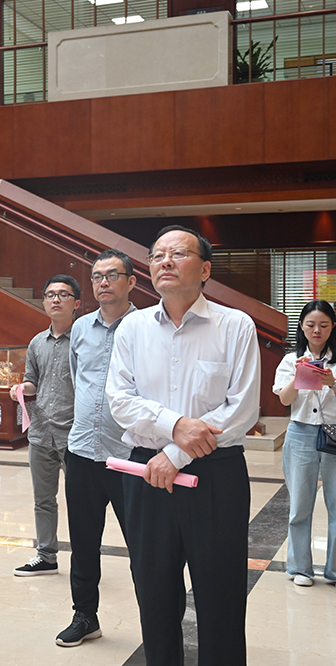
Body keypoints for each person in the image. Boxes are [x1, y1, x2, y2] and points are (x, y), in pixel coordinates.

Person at [106, 225, 260, 665]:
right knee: (154, 593)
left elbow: (242, 409)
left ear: (205, 269)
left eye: (178, 253)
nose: (166, 262)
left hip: (215, 474)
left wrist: (174, 454)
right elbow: (119, 400)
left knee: (221, 594)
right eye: (157, 255)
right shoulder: (132, 328)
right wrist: (174, 427)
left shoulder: (235, 325)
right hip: (147, 475)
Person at [56, 251, 136, 647]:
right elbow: (79, 379)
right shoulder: (80, 328)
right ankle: (85, 616)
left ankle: (159, 620)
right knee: (83, 544)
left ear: (131, 282)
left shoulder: (143, 327)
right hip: (82, 452)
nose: (103, 282)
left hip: (130, 456)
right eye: (96, 276)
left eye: (112, 275)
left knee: (144, 545)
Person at [9, 275, 81, 576]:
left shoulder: (83, 339)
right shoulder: (37, 342)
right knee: (43, 500)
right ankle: (46, 555)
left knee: (80, 503)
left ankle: (84, 559)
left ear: (76, 303)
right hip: (40, 433)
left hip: (74, 434)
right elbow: (33, 381)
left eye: (63, 294)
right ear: (43, 302)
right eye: (50, 295)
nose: (56, 299)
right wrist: (21, 389)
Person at [273, 300, 336, 587]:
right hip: (300, 433)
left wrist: (332, 382)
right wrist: (299, 377)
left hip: (334, 432)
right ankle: (300, 568)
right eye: (311, 325)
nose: (317, 330)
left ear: (332, 327)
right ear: (301, 326)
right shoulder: (291, 360)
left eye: (323, 325)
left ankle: (333, 570)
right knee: (300, 504)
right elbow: (284, 400)